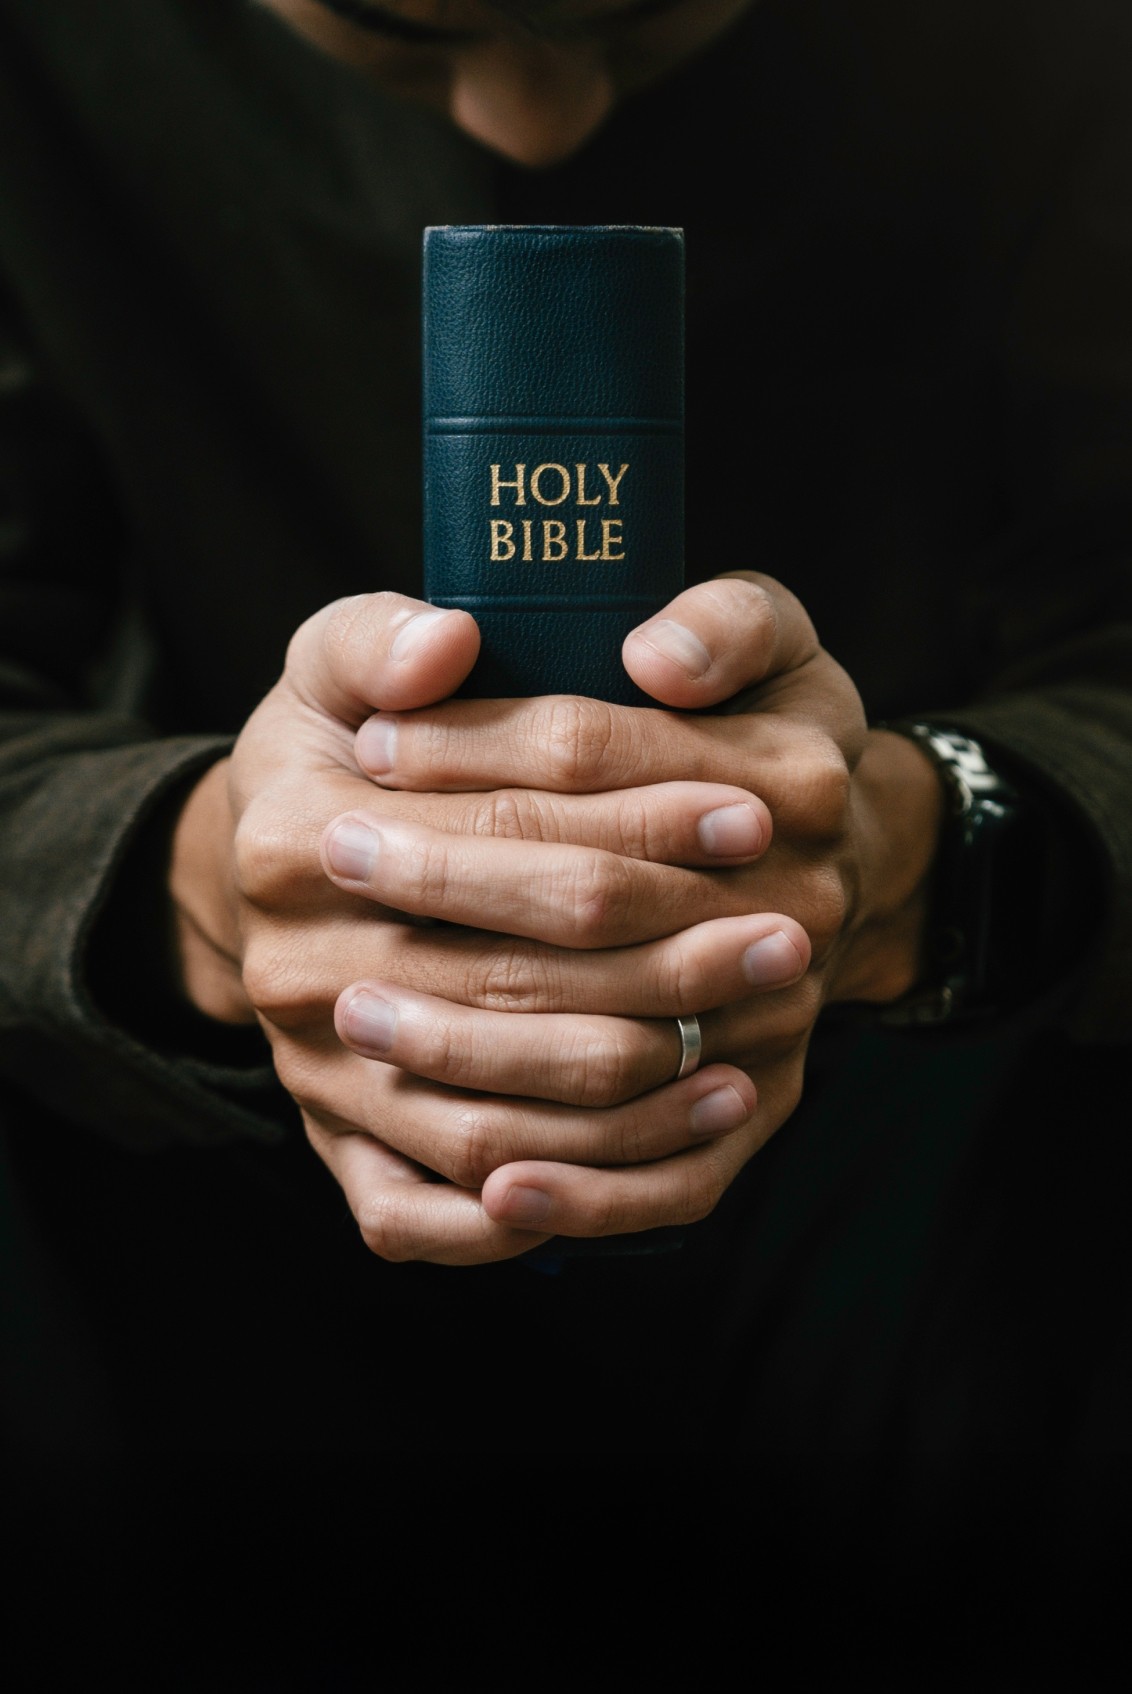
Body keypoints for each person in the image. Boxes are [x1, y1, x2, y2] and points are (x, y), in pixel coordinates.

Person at [2, 0, 1130, 1670]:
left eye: (653, 17)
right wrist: (203, 879)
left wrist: (916, 851)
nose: (528, 130)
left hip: (970, 1145)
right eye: (390, 33)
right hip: (175, 1191)